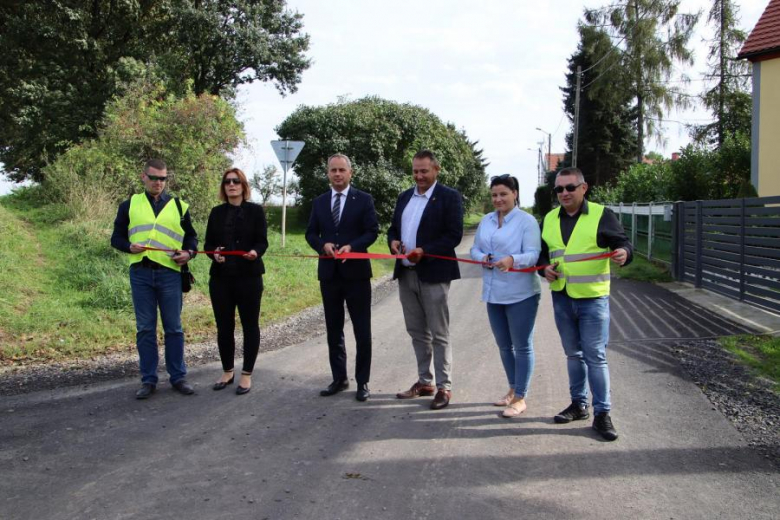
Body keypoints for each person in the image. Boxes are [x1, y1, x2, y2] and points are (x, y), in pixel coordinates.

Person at [538, 167, 632, 441]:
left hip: (592, 299)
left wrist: (624, 253)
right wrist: (543, 268)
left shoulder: (602, 215)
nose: (564, 193)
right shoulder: (550, 218)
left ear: (583, 188)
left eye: (569, 188)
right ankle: (579, 405)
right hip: (562, 297)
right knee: (573, 354)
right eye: (559, 189)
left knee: (595, 356)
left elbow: (623, 243)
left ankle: (602, 413)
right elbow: (543, 254)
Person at [111, 159, 198, 399]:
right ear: (143, 177)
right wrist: (129, 246)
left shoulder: (180, 206)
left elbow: (191, 239)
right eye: (154, 178)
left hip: (170, 273)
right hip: (140, 273)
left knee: (174, 328)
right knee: (146, 329)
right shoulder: (129, 205)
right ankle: (148, 380)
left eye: (163, 178)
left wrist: (188, 253)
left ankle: (178, 377)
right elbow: (115, 238)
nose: (158, 183)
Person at [388, 150, 464, 410]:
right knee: (417, 332)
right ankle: (425, 381)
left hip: (433, 275)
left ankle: (444, 387)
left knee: (439, 333)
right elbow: (393, 229)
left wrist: (425, 250)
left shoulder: (449, 198)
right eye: (415, 171)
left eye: (424, 171)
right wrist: (393, 242)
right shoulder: (404, 197)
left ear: (436, 170)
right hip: (406, 274)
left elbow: (453, 235)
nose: (419, 176)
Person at [305, 154, 379, 402]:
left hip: (356, 274)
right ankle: (339, 378)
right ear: (328, 173)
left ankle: (363, 381)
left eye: (341, 170)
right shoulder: (320, 202)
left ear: (350, 173)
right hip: (329, 274)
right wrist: (322, 245)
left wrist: (353, 246)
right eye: (333, 170)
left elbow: (372, 231)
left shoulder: (364, 200)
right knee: (333, 329)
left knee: (362, 329)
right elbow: (310, 233)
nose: (337, 174)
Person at [470, 174, 541, 418]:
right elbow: (475, 249)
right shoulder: (487, 220)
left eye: (503, 194)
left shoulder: (527, 221)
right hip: (493, 292)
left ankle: (521, 397)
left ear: (515, 194)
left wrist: (513, 260)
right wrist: (483, 258)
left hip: (520, 293)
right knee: (503, 346)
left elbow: (533, 254)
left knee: (521, 346)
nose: (498, 199)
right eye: (494, 195)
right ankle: (512, 389)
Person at [204, 168, 268, 395]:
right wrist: (215, 254)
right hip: (221, 278)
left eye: (236, 181)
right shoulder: (216, 212)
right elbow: (208, 244)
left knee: (250, 325)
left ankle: (247, 374)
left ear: (243, 186)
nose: (231, 185)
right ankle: (228, 371)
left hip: (249, 277)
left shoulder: (255, 211)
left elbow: (262, 242)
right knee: (224, 326)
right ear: (224, 187)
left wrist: (254, 252)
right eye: (227, 182)